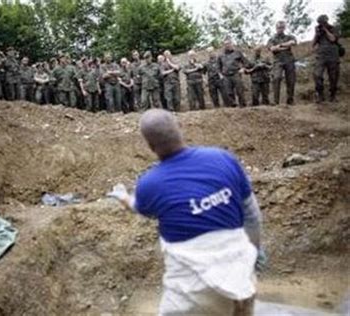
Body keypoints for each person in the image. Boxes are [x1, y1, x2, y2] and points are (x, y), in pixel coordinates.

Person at [108, 108, 264, 316]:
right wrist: (253, 254)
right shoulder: (224, 159)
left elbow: (137, 207)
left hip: (191, 293)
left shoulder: (150, 184)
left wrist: (124, 198)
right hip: (240, 277)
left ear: (150, 146)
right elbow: (252, 216)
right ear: (180, 129)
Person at [267, 21, 297, 105]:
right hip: (278, 61)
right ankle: (275, 101)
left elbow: (293, 42)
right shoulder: (272, 39)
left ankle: (290, 100)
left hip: (289, 60)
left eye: (282, 27)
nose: (280, 29)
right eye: (279, 27)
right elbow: (272, 48)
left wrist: (279, 46)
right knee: (276, 78)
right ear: (276, 28)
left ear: (284, 28)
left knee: (291, 80)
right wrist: (284, 46)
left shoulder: (289, 36)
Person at [312, 14, 341, 103]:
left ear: (326, 21)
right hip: (321, 56)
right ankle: (320, 95)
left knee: (333, 77)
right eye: (320, 23)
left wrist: (325, 30)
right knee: (317, 75)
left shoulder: (334, 28)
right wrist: (317, 34)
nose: (321, 24)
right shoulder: (318, 30)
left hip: (333, 56)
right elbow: (313, 44)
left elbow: (333, 39)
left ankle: (333, 95)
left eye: (323, 22)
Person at [218, 38, 249, 107]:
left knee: (239, 90)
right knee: (228, 92)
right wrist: (220, 74)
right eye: (225, 44)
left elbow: (246, 62)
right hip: (226, 75)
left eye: (228, 44)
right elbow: (218, 66)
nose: (227, 45)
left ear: (232, 44)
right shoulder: (221, 55)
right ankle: (233, 106)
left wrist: (243, 68)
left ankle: (243, 105)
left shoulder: (238, 52)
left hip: (236, 73)